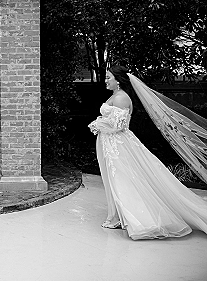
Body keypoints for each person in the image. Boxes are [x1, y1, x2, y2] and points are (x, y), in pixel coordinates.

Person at [88, 65, 207, 240]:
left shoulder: (121, 98)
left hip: (119, 145)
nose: (105, 80)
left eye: (108, 77)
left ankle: (137, 219)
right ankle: (118, 217)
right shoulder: (116, 95)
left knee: (122, 179)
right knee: (116, 179)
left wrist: (97, 124)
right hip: (112, 144)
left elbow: (118, 126)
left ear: (118, 80)